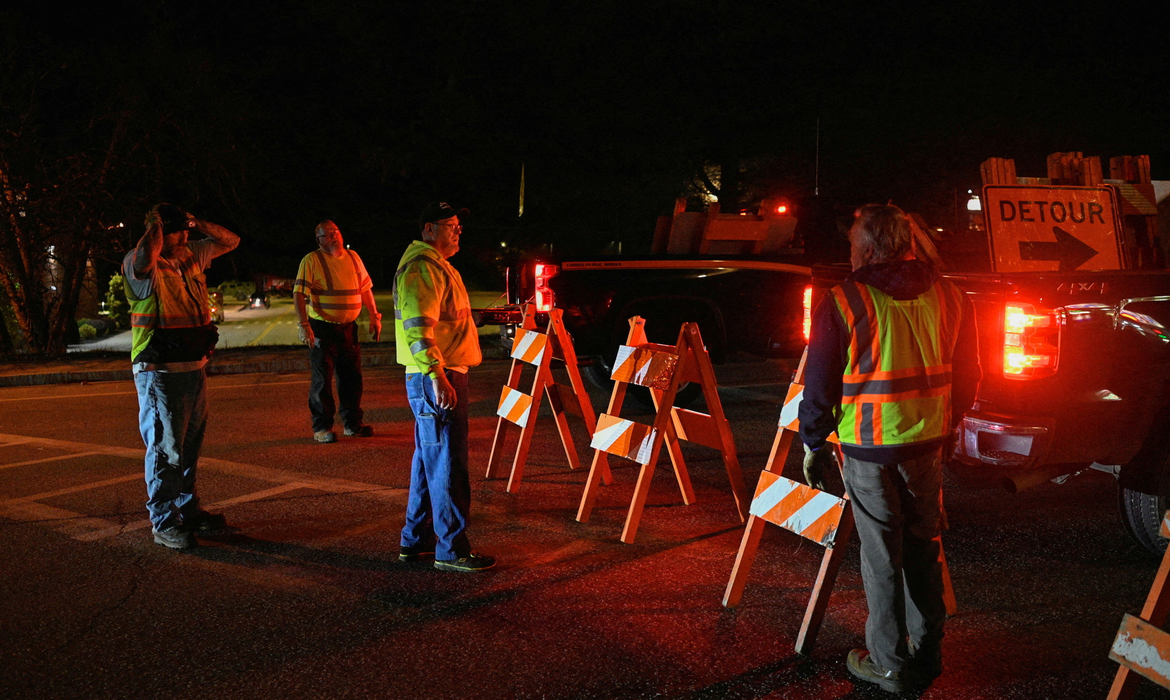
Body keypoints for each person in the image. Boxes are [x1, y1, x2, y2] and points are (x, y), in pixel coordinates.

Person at [798, 204, 980, 692]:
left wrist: (814, 442)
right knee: (924, 549)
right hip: (928, 446)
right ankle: (928, 653)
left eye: (855, 245)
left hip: (869, 449)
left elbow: (819, 385)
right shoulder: (952, 296)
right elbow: (969, 378)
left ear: (872, 249)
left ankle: (889, 664)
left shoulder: (843, 301)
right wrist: (945, 422)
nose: (851, 254)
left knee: (883, 557)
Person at [123, 203, 240, 549]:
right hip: (159, 371)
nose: (185, 235)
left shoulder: (191, 256)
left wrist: (195, 220)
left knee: (188, 448)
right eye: (177, 230)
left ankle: (187, 511)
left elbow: (230, 241)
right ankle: (163, 521)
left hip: (193, 366)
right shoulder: (140, 261)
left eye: (185, 229)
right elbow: (145, 256)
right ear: (157, 231)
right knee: (165, 449)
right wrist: (157, 225)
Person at [394, 202, 494, 573]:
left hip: (437, 373)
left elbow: (439, 321)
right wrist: (436, 375)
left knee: (428, 461)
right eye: (449, 225)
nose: (457, 231)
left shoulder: (434, 266)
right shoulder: (423, 267)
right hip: (438, 375)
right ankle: (451, 549)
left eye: (458, 226)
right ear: (427, 229)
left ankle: (415, 540)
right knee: (447, 464)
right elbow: (418, 327)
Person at [293, 221, 382, 443]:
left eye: (336, 232)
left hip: (349, 329)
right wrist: (304, 325)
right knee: (323, 380)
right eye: (327, 235)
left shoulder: (353, 257)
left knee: (352, 378)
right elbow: (298, 294)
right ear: (319, 240)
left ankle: (352, 424)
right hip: (323, 329)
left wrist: (374, 315)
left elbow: (365, 289)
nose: (333, 237)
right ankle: (322, 427)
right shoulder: (311, 260)